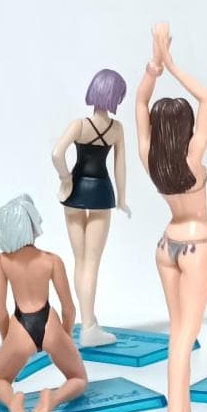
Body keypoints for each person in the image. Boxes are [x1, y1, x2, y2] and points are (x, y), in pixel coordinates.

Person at [135, 23, 207, 412]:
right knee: (186, 334)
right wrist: (172, 63)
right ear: (185, 128)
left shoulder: (151, 158)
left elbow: (140, 101)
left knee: (178, 331)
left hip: (166, 245)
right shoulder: (193, 160)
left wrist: (154, 64)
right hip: (195, 245)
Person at [0, 195, 87, 412]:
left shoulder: (1, 262)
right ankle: (53, 398)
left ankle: (13, 400)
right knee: (78, 378)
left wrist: (8, 339)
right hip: (50, 325)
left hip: (20, 328)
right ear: (32, 224)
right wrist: (65, 337)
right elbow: (69, 308)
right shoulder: (52, 260)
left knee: (0, 381)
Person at [52, 68, 132, 347]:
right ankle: (88, 326)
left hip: (74, 192)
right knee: (91, 262)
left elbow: (56, 154)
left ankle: (88, 321)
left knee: (80, 260)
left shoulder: (79, 125)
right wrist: (121, 198)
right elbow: (120, 166)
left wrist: (66, 179)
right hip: (100, 193)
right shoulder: (116, 129)